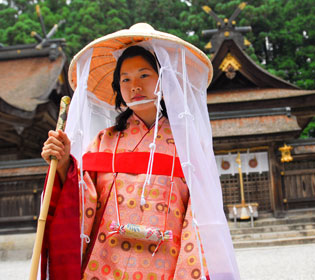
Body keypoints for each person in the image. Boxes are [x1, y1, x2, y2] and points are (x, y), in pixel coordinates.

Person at [39, 23, 240, 280]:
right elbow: (80, 196)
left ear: (164, 81)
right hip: (106, 262)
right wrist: (65, 162)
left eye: (144, 75)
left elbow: (198, 214)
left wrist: (188, 272)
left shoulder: (187, 143)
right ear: (118, 89)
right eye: (125, 79)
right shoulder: (104, 141)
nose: (134, 85)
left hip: (168, 262)